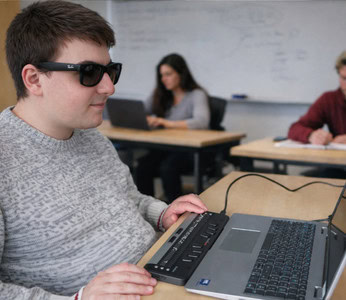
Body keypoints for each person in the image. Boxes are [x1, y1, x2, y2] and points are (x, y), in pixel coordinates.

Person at [1, 2, 208, 300]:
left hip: (163, 271)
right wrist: (79, 299)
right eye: (89, 72)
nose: (109, 87)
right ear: (34, 79)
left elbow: (127, 200)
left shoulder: (90, 135)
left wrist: (163, 214)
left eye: (110, 70)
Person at [135, 53, 210, 203]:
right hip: (165, 148)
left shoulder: (196, 95)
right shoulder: (161, 94)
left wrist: (166, 122)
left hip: (188, 151)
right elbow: (140, 111)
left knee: (168, 167)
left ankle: (175, 212)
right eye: (162, 75)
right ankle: (148, 209)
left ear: (181, 74)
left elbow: (202, 121)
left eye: (168, 74)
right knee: (143, 166)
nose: (164, 79)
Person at [287, 51, 346, 179]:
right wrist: (311, 135)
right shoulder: (329, 99)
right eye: (344, 78)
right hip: (339, 167)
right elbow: (295, 128)